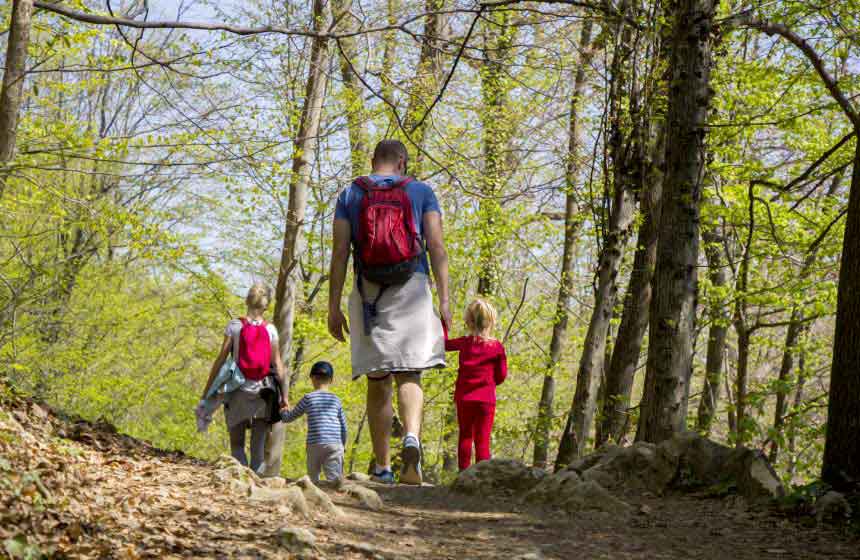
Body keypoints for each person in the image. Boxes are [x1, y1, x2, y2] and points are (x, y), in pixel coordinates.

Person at [328, 139, 451, 485]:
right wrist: (444, 300)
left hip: (370, 291)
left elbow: (339, 252)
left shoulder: (351, 194)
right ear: (402, 162)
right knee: (410, 373)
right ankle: (411, 437)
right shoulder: (421, 191)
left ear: (373, 161)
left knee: (378, 379)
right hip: (412, 285)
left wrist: (333, 305)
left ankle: (383, 467)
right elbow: (437, 247)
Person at [201, 283, 287, 472]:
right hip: (264, 393)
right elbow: (279, 366)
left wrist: (208, 390)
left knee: (237, 445)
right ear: (266, 306)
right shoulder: (271, 329)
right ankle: (256, 488)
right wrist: (284, 398)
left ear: (247, 301)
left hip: (237, 390)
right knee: (258, 450)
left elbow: (220, 360)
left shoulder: (234, 326)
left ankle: (241, 482)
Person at [443, 299, 507, 471]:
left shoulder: (464, 342)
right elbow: (502, 376)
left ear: (469, 321)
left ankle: (464, 474)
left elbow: (444, 344)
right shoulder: (496, 347)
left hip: (464, 398)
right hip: (486, 400)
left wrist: (443, 323)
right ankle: (481, 476)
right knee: (482, 440)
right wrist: (491, 382)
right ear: (491, 321)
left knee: (465, 436)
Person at [280, 361, 347, 484]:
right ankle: (334, 500)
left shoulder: (308, 398)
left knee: (313, 479)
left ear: (312, 378)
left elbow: (289, 418)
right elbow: (344, 426)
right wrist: (343, 444)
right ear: (331, 380)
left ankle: (314, 499)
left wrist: (283, 411)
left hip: (314, 444)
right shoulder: (336, 400)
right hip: (335, 444)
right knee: (334, 480)